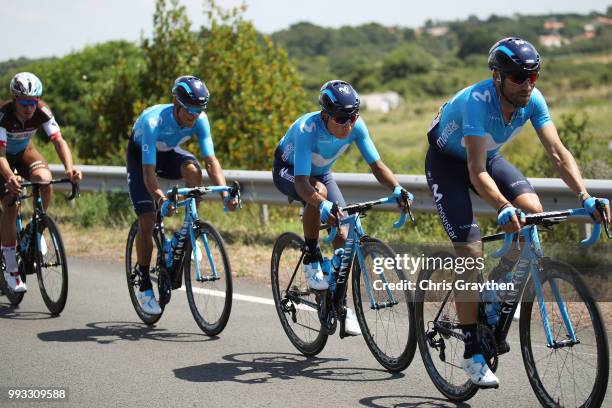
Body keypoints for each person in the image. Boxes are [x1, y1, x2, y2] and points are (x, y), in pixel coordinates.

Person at [424, 37, 610, 387]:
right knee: (469, 249)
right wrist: (502, 207)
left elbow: (557, 152)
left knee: (533, 212)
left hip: (487, 158)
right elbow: (475, 171)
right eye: (518, 78)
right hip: (449, 163)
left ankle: (492, 292)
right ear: (497, 77)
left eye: (533, 77)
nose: (527, 85)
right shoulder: (479, 102)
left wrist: (585, 196)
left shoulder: (532, 100)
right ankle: (471, 350)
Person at [272, 79, 410, 336]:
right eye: (340, 119)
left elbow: (377, 166)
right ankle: (311, 258)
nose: (348, 125)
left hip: (321, 174)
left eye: (353, 117)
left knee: (344, 238)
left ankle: (340, 308)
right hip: (289, 172)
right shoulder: (306, 129)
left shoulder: (356, 126)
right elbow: (303, 183)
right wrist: (320, 203)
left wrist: (396, 188)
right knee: (320, 194)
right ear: (325, 115)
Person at [126, 75, 238, 315]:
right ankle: (144, 282)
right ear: (176, 103)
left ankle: (188, 229)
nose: (194, 116)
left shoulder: (199, 119)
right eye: (189, 110)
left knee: (193, 171)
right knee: (147, 219)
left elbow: (211, 161)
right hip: (141, 158)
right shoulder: (152, 122)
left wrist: (225, 194)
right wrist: (161, 198)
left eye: (199, 111)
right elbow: (148, 175)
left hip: (167, 153)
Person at [0, 72, 82, 293]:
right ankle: (10, 267)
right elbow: (1, 156)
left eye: (33, 102)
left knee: (45, 180)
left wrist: (70, 168)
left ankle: (36, 228)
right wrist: (10, 178)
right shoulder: (3, 116)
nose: (29, 107)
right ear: (14, 99)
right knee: (11, 202)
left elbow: (58, 140)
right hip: (2, 159)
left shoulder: (42, 111)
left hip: (25, 153)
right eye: (24, 102)